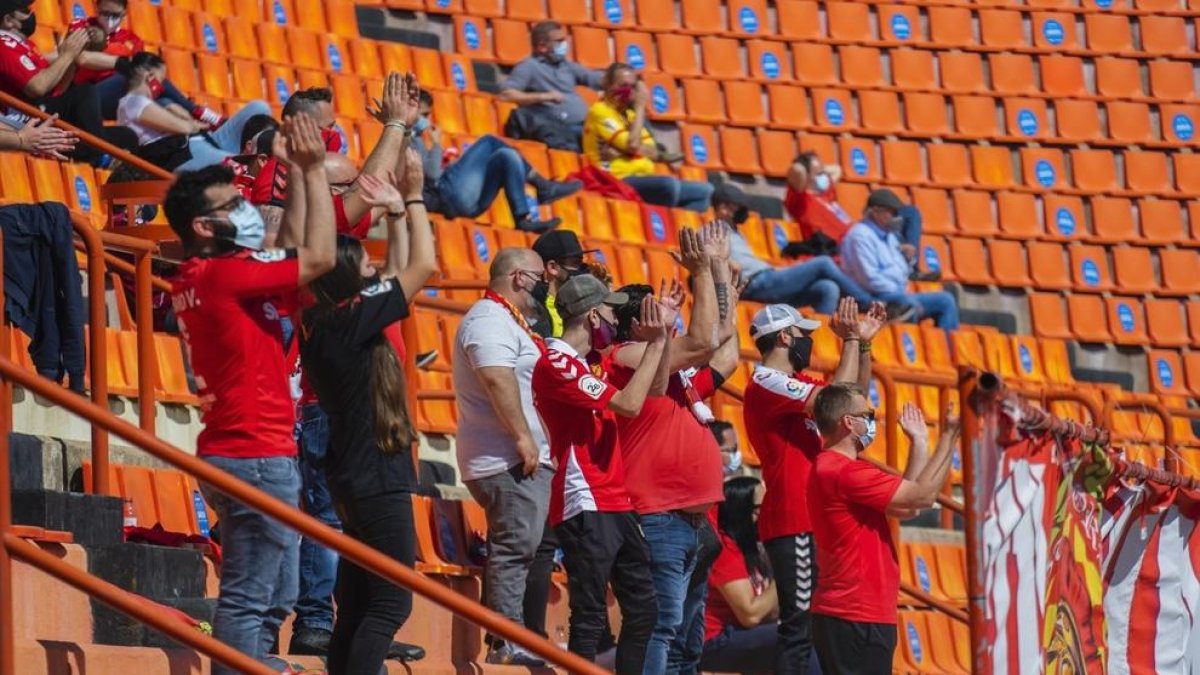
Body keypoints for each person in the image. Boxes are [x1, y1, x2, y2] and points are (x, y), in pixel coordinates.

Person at [165, 113, 335, 673]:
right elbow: (319, 258)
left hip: (246, 449)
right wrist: (311, 171)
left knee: (274, 594)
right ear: (206, 227)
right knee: (249, 596)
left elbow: (289, 251)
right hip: (253, 453)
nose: (243, 205)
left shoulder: (210, 277)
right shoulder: (221, 275)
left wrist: (294, 172)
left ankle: (258, 662)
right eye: (229, 203)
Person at [299, 151, 436, 674]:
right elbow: (420, 268)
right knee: (390, 603)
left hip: (353, 472)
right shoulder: (349, 322)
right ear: (346, 280)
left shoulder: (324, 322)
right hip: (375, 474)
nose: (373, 265)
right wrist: (416, 196)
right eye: (363, 262)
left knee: (357, 603)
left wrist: (397, 213)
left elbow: (399, 271)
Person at [604, 224, 740, 675]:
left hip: (692, 520)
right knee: (660, 628)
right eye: (659, 312)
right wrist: (702, 272)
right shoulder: (623, 357)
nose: (670, 318)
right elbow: (702, 341)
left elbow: (723, 353)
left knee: (684, 638)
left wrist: (719, 270)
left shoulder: (674, 376)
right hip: (658, 516)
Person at [532, 274, 668, 673]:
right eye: (611, 311)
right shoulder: (556, 361)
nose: (616, 319)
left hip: (615, 498)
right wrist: (657, 344)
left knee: (644, 609)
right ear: (593, 315)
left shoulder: (592, 361)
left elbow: (653, 389)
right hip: (584, 497)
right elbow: (628, 404)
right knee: (590, 614)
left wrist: (663, 338)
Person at [742, 298, 886, 675]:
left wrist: (861, 344)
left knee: (817, 627)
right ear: (786, 337)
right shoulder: (766, 380)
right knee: (799, 627)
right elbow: (837, 405)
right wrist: (851, 341)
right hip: (793, 519)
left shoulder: (795, 383)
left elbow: (849, 401)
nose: (809, 342)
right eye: (804, 335)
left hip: (812, 517)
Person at [451, 247, 554, 667]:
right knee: (516, 547)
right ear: (518, 278)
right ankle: (504, 640)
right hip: (506, 459)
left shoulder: (510, 320)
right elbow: (496, 377)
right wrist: (523, 439)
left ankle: (513, 635)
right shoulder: (487, 319)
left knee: (523, 546)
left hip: (518, 457)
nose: (544, 287)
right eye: (537, 278)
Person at [809, 392, 960, 675]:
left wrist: (920, 442)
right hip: (854, 613)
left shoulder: (840, 469)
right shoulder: (841, 472)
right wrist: (949, 437)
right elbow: (922, 498)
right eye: (868, 416)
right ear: (848, 422)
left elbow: (906, 508)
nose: (873, 421)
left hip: (861, 613)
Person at [410, 90, 579, 232]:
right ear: (411, 109)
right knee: (489, 142)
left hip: (468, 205)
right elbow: (431, 174)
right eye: (424, 114)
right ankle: (543, 186)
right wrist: (437, 143)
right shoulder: (406, 138)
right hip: (445, 198)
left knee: (507, 156)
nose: (427, 120)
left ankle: (522, 218)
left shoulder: (417, 138)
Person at [0, 0, 137, 166]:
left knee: (126, 135)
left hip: (40, 114)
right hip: (24, 120)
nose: (31, 13)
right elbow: (37, 87)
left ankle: (98, 153)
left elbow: (58, 87)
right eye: (25, 10)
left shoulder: (24, 45)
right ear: (8, 20)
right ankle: (98, 155)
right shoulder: (4, 44)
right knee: (84, 91)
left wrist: (72, 57)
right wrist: (67, 55)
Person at [583, 63, 713, 212]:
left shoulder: (630, 115)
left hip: (643, 177)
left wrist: (625, 151)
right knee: (668, 186)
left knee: (705, 191)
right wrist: (640, 108)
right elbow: (633, 145)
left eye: (633, 87)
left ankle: (680, 230)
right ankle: (664, 224)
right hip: (616, 178)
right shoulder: (600, 111)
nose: (628, 91)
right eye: (623, 85)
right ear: (608, 84)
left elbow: (653, 152)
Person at [729, 216, 914, 320]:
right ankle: (867, 303)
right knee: (823, 263)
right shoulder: (715, 231)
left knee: (828, 288)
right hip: (754, 283)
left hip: (768, 276)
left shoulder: (737, 233)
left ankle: (819, 344)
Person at [72, 0, 223, 125]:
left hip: (122, 99)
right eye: (105, 13)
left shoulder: (132, 40)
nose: (109, 19)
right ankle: (197, 110)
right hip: (88, 94)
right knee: (138, 74)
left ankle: (200, 128)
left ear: (124, 13)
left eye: (115, 15)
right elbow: (81, 58)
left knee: (164, 103)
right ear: (97, 8)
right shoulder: (83, 26)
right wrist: (121, 63)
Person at [116, 52, 271, 171]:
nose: (162, 86)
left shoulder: (149, 103)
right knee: (246, 169)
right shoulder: (132, 102)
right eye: (161, 80)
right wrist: (189, 120)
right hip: (186, 155)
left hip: (204, 141)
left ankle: (263, 156)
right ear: (149, 76)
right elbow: (183, 128)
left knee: (259, 108)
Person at [839, 189, 959, 329]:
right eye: (892, 212)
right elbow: (869, 279)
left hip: (896, 295)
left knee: (946, 300)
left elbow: (901, 272)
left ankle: (947, 349)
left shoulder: (889, 236)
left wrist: (908, 260)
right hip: (872, 298)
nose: (896, 217)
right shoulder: (860, 236)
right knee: (906, 306)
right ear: (876, 211)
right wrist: (900, 295)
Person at [700, 476, 778, 675]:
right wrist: (789, 569)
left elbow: (771, 610)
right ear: (744, 512)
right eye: (763, 507)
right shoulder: (725, 552)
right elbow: (750, 615)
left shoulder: (752, 549)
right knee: (798, 635)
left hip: (739, 633)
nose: (770, 512)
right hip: (714, 642)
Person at [784, 152, 925, 260]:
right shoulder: (801, 201)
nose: (824, 176)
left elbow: (837, 169)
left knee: (909, 213)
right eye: (819, 173)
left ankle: (910, 261)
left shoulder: (825, 193)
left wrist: (819, 171)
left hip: (864, 234)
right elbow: (796, 170)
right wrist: (808, 171)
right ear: (807, 177)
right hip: (849, 246)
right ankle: (907, 262)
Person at [500, 20, 602, 152]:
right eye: (559, 41)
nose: (565, 45)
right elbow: (506, 94)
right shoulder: (529, 66)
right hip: (563, 131)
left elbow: (594, 78)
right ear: (542, 46)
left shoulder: (566, 65)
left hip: (585, 127)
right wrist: (544, 96)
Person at [530, 229, 595, 337]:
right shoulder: (534, 310)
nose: (583, 269)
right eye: (576, 263)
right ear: (552, 267)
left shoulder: (579, 305)